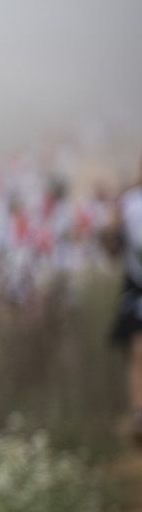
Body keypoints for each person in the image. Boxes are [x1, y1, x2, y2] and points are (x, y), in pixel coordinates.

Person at [104, 154, 142, 443]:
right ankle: (139, 416)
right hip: (136, 288)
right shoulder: (129, 204)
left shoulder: (128, 203)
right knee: (137, 352)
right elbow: (112, 247)